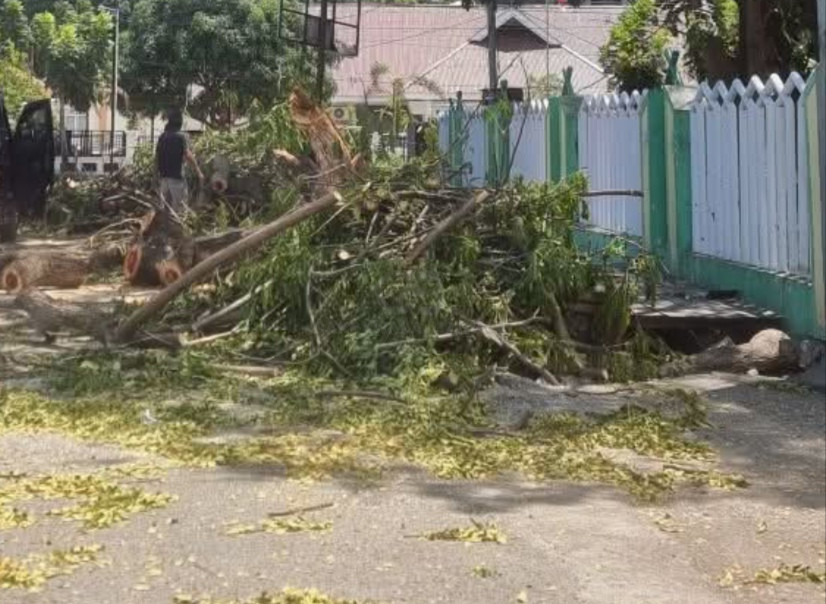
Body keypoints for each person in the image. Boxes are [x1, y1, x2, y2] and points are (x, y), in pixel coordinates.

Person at [155, 109, 203, 215]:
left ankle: (165, 229)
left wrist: (155, 175)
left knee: (164, 208)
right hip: (176, 178)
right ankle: (178, 230)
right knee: (180, 208)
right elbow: (187, 154)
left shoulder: (163, 136)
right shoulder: (181, 137)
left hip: (164, 178)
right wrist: (198, 171)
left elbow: (157, 156)